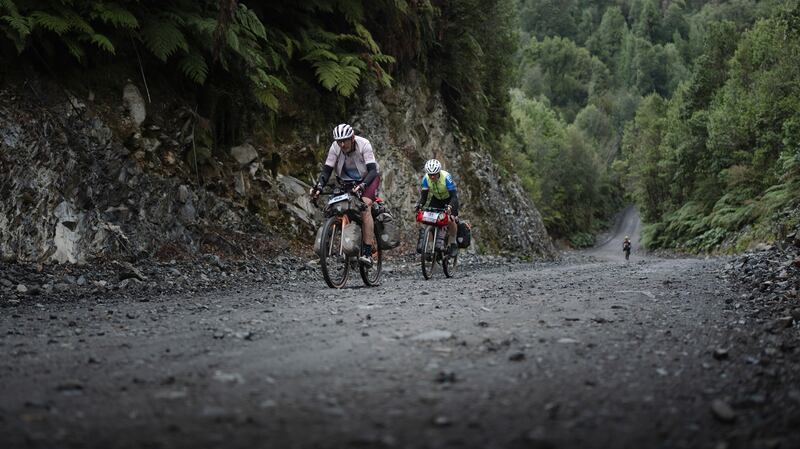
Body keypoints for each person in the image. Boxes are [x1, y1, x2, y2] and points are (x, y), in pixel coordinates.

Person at [310, 123, 381, 266]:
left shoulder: (364, 144)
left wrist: (362, 185)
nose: (342, 144)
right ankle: (351, 247)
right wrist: (319, 186)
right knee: (341, 208)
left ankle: (367, 253)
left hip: (367, 179)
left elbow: (372, 170)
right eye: (339, 142)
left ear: (352, 138)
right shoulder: (335, 148)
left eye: (345, 141)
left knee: (365, 207)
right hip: (346, 181)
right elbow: (327, 170)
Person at [414, 159, 459, 258]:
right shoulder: (426, 179)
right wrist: (419, 205)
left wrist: (450, 207)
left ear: (438, 172)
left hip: (450, 199)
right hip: (437, 199)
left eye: (434, 174)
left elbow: (454, 196)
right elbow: (424, 197)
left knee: (451, 219)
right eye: (430, 174)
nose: (432, 177)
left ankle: (453, 243)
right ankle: (430, 247)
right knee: (427, 220)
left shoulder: (446, 177)